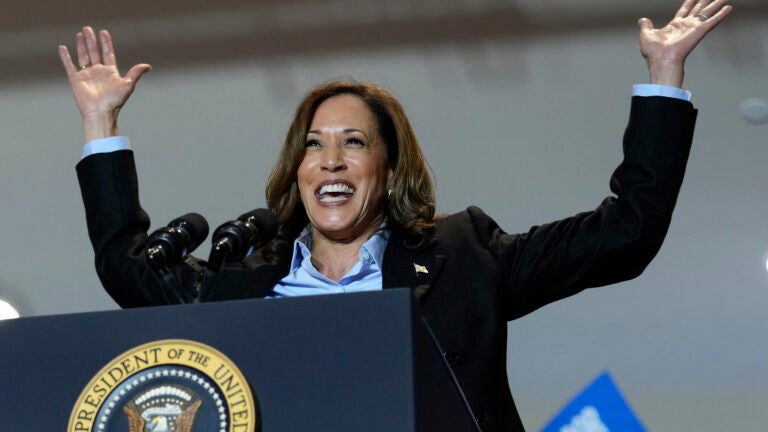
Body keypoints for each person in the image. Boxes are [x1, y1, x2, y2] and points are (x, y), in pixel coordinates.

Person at [59, 1, 731, 430]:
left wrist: (662, 78)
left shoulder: (466, 256)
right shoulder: (242, 286)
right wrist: (100, 124)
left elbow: (626, 233)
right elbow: (129, 270)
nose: (330, 161)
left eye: (354, 144)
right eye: (313, 146)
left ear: (387, 169)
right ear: (296, 171)